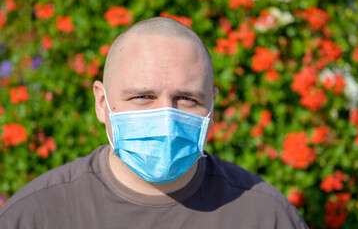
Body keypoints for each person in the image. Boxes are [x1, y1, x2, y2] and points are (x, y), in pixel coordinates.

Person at [0, 17, 308, 228]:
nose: (167, 116)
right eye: (143, 97)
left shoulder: (265, 216)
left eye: (187, 99)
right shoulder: (35, 216)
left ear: (212, 106)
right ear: (102, 103)